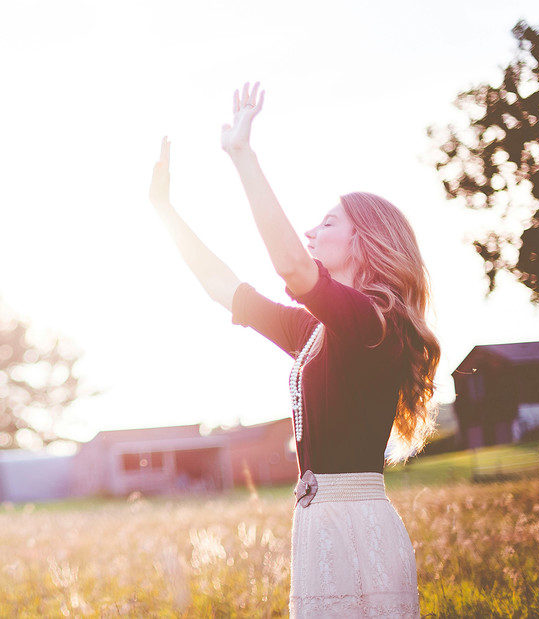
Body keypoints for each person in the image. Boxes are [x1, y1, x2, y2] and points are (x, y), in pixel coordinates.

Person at [148, 82, 438, 618]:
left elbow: (290, 268)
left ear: (365, 242)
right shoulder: (316, 330)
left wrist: (242, 155)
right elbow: (224, 288)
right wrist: (164, 210)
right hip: (318, 524)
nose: (310, 232)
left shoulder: (375, 324)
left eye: (328, 223)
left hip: (356, 528)